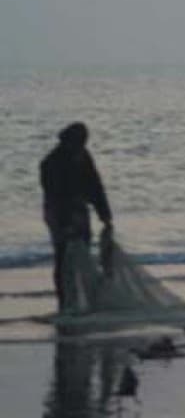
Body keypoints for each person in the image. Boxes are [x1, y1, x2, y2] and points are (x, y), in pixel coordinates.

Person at [39, 122, 113, 311]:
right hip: (57, 212)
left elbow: (95, 185)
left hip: (79, 209)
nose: (82, 146)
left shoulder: (83, 156)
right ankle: (65, 301)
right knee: (63, 257)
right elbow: (55, 195)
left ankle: (83, 298)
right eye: (79, 142)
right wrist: (65, 224)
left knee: (83, 253)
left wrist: (104, 213)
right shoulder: (51, 163)